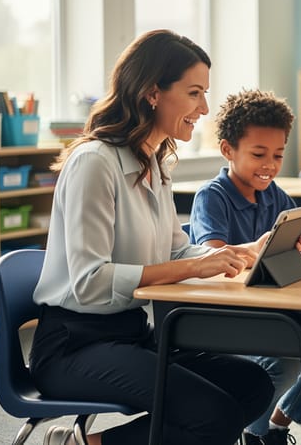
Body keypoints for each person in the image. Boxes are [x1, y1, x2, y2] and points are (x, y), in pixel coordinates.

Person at [29, 30, 273, 445]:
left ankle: (86, 444)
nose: (204, 108)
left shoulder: (154, 161)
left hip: (130, 334)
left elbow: (175, 248)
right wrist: (195, 266)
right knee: (213, 415)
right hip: (73, 346)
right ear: (152, 93)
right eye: (194, 93)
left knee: (253, 384)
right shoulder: (95, 164)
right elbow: (90, 282)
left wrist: (240, 252)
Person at [188, 88, 301, 445]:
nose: (270, 164)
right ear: (227, 150)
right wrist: (253, 251)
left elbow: (294, 253)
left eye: (278, 155)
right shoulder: (212, 197)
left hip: (274, 311)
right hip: (226, 319)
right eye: (259, 154)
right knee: (288, 361)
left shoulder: (276, 196)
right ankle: (255, 434)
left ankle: (274, 424)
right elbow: (211, 258)